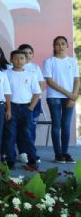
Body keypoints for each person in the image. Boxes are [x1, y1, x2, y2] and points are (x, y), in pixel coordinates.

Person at [43, 35, 79, 163]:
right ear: (54, 47)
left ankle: (65, 152)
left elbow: (76, 79)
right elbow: (50, 81)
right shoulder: (49, 61)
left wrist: (73, 96)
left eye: (63, 43)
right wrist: (69, 94)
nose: (60, 46)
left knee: (66, 125)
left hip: (69, 98)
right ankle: (58, 154)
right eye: (57, 44)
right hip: (54, 98)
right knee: (56, 125)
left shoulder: (72, 61)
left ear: (67, 46)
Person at [5, 50, 41, 169]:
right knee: (10, 135)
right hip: (12, 107)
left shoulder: (31, 75)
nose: (18, 60)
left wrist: (30, 108)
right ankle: (11, 160)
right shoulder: (6, 73)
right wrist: (8, 108)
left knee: (27, 134)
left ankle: (32, 158)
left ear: (25, 60)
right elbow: (5, 93)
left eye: (21, 58)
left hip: (26, 107)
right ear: (11, 60)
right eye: (15, 58)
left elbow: (37, 93)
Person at [18, 43, 45, 162]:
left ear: (32, 54)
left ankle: (31, 152)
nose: (27, 55)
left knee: (31, 127)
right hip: (21, 103)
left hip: (34, 102)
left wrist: (33, 98)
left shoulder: (35, 67)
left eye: (29, 53)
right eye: (24, 53)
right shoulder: (14, 68)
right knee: (21, 128)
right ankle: (23, 152)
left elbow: (40, 85)